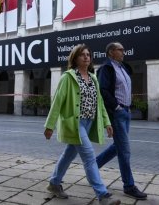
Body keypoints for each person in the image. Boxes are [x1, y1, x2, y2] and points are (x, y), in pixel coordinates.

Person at [44, 44, 121, 205]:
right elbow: (57, 101)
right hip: (75, 123)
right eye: (82, 55)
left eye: (88, 54)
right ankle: (103, 195)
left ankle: (54, 183)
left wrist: (107, 122)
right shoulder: (68, 77)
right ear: (75, 58)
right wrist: (50, 125)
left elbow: (99, 102)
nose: (86, 57)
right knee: (89, 157)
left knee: (69, 155)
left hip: (89, 123)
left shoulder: (93, 78)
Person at [96, 42, 147, 200]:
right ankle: (129, 186)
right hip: (117, 113)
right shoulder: (107, 68)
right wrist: (116, 107)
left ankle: (92, 166)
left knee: (117, 147)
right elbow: (103, 90)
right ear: (111, 52)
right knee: (124, 151)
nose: (123, 52)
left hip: (125, 111)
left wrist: (126, 107)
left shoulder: (123, 67)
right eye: (120, 50)